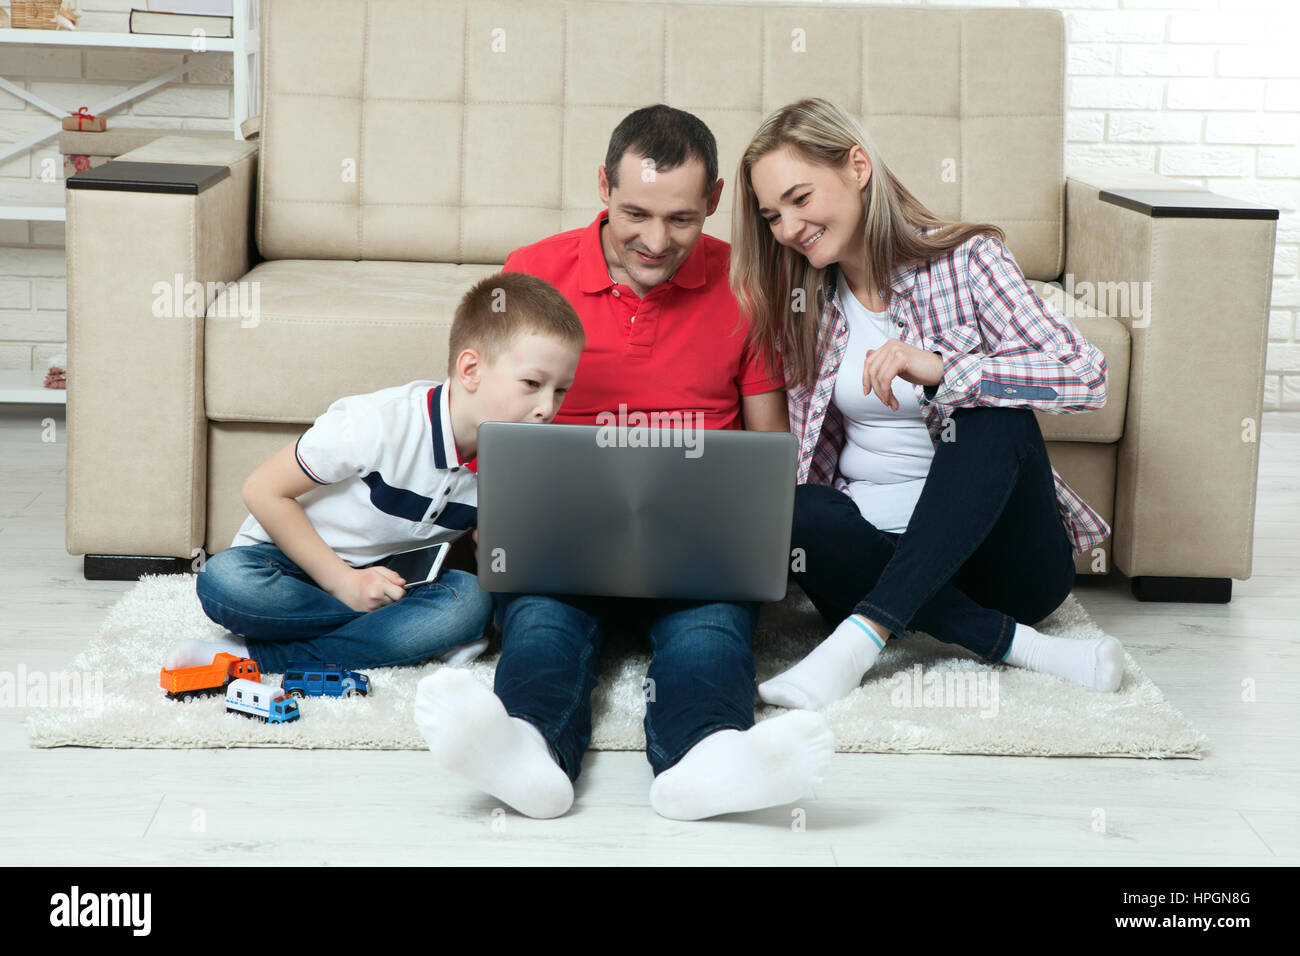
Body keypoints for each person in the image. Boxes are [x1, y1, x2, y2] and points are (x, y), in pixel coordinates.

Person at [413, 104, 835, 821]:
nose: (654, 239)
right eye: (634, 212)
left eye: (680, 219)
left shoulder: (745, 284)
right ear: (602, 186)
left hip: (698, 546)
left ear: (713, 202)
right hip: (560, 536)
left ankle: (704, 760)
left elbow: (771, 451)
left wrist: (762, 535)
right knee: (542, 628)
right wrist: (494, 510)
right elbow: (487, 413)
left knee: (709, 641)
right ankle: (530, 754)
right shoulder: (533, 270)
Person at [729, 97, 1125, 711]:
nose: (786, 228)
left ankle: (857, 642)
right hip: (868, 559)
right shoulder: (801, 303)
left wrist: (945, 372)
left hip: (1002, 566)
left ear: (857, 166)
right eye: (771, 215)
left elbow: (1086, 375)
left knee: (990, 415)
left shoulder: (966, 260)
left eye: (800, 199)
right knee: (797, 508)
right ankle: (1019, 648)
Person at [169, 272, 584, 675]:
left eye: (560, 390)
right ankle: (406, 640)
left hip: (392, 584)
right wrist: (343, 583)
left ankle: (256, 658)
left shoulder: (515, 460)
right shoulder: (379, 423)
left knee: (470, 602)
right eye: (532, 383)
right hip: (291, 567)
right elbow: (262, 489)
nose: (548, 407)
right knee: (224, 581)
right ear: (471, 370)